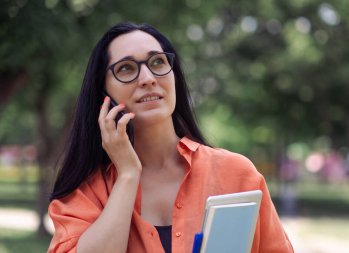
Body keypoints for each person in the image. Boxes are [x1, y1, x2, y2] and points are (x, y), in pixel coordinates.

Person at [48, 22, 293, 253]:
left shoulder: (236, 174)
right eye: (126, 68)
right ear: (103, 94)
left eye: (157, 62)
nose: (148, 78)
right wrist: (128, 175)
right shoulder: (84, 190)